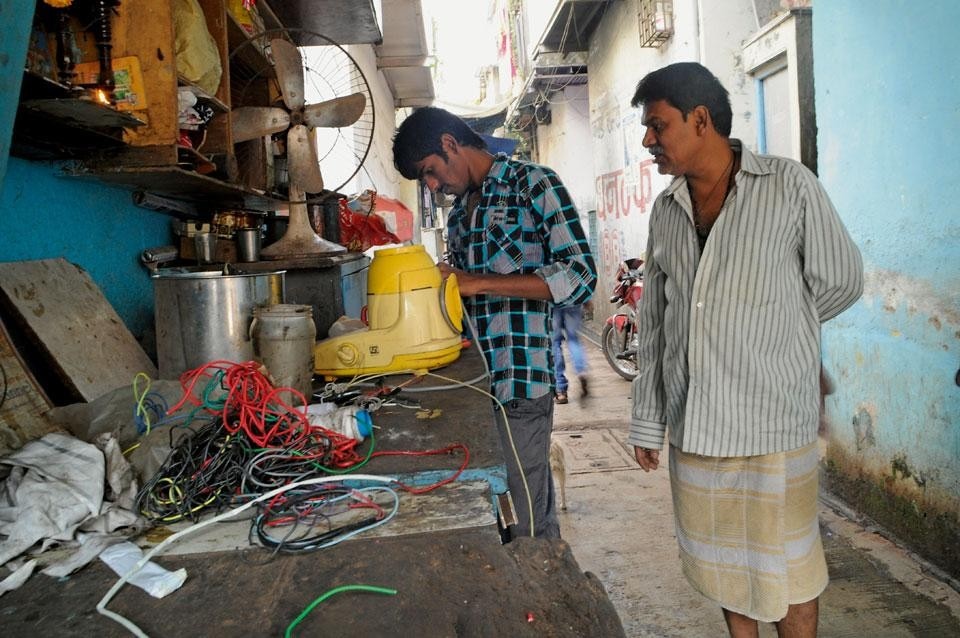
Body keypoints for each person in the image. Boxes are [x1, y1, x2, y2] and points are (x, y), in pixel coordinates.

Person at [626, 63, 862, 636]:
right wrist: (647, 421)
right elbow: (655, 323)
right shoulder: (667, 210)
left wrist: (775, 333)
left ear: (700, 119)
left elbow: (841, 279)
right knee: (727, 571)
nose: (647, 139)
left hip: (773, 425)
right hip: (698, 428)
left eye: (657, 125)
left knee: (791, 571)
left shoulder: (788, 185)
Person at [392, 107, 597, 540]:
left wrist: (478, 282)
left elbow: (581, 276)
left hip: (521, 385)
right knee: (492, 517)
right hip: (473, 392)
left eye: (430, 172)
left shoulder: (534, 184)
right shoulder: (458, 215)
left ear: (450, 144)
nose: (432, 185)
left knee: (528, 521)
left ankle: (546, 603)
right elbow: (463, 301)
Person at [551, 304, 589, 404]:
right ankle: (581, 371)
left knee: (555, 343)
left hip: (552, 301)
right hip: (573, 299)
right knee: (574, 339)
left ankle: (560, 390)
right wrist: (586, 299)